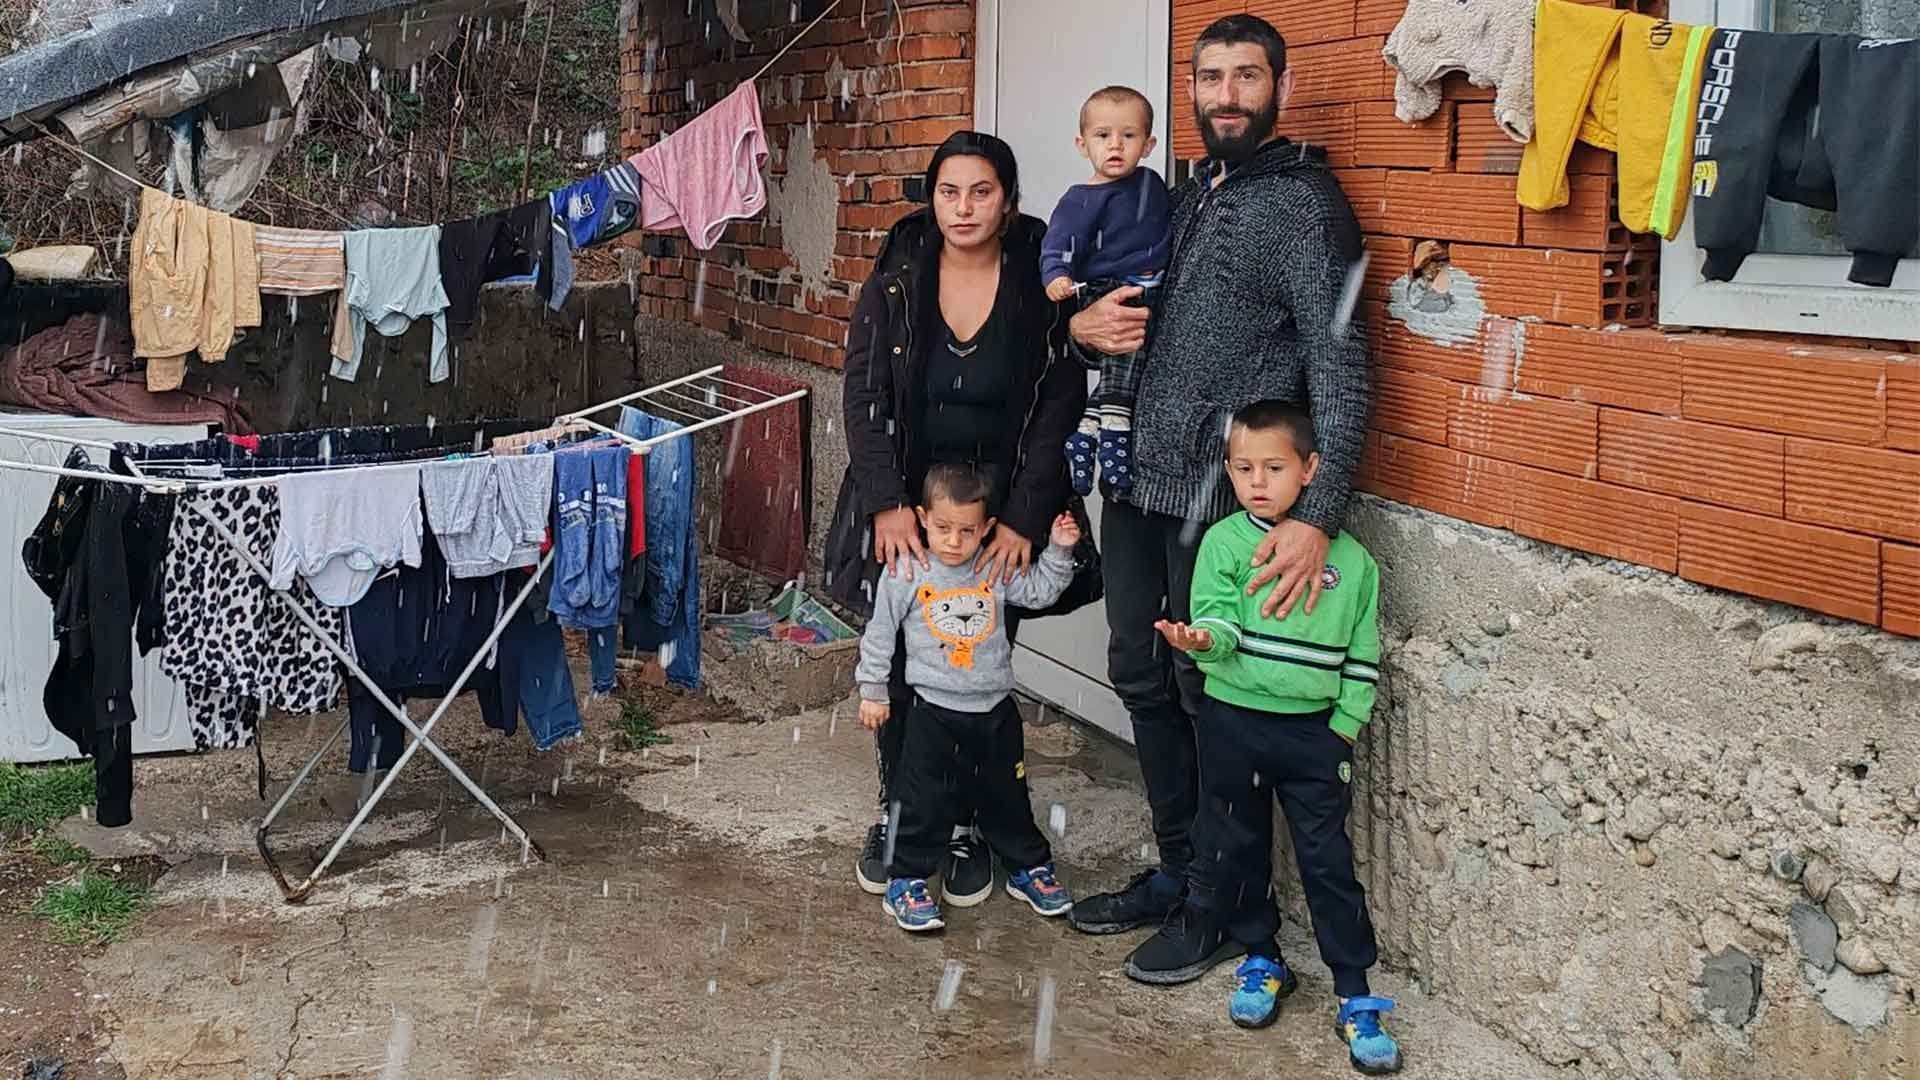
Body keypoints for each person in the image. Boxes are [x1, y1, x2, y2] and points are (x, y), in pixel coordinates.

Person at [1063, 12, 1373, 983]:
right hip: (1139, 487)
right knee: (1141, 676)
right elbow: (1140, 323)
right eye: (1210, 78)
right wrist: (1082, 330)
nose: (1226, 94)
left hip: (1222, 505)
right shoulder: (1188, 192)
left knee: (1214, 702)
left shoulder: (1305, 204)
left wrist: (1320, 517)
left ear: (1280, 84)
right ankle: (1182, 869)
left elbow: (1346, 363)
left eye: (1246, 76)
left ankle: (1226, 910)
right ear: (1188, 92)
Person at [823, 131, 1086, 908]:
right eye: (949, 192)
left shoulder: (1042, 279)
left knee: (979, 664)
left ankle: (969, 823)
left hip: (998, 510)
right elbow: (863, 395)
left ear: (1007, 200)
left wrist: (1025, 516)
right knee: (905, 667)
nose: (964, 207)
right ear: (931, 199)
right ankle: (906, 818)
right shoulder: (900, 275)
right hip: (912, 505)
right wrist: (884, 502)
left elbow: (1057, 402)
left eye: (982, 191)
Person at [1152, 401, 1399, 1073]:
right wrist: (1204, 642)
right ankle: (1262, 958)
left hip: (1314, 737)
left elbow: (1362, 652)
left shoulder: (1351, 562)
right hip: (1234, 724)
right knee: (1238, 845)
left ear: (1311, 469)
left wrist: (1343, 727)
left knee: (1327, 860)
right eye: (1241, 468)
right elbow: (1217, 619)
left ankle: (1354, 991)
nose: (1256, 482)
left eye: (1273, 467)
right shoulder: (1226, 543)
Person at [854, 465, 1080, 932]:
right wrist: (873, 691)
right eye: (942, 528)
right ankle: (907, 880)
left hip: (995, 711)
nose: (954, 541)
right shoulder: (908, 572)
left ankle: (1027, 867)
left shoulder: (992, 569)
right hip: (932, 714)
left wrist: (1059, 550)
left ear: (988, 529)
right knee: (921, 801)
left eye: (966, 531)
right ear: (921, 519)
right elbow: (879, 635)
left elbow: (1040, 592)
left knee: (1008, 797)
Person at [1039, 86, 1171, 499]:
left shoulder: (1151, 184)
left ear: (1149, 145)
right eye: (1102, 136)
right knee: (1124, 358)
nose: (1115, 145)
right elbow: (1057, 243)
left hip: (1151, 284)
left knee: (1132, 365)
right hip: (1109, 288)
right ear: (1082, 145)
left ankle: (1086, 430)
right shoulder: (1081, 199)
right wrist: (1055, 276)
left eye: (1129, 136)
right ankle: (1114, 439)